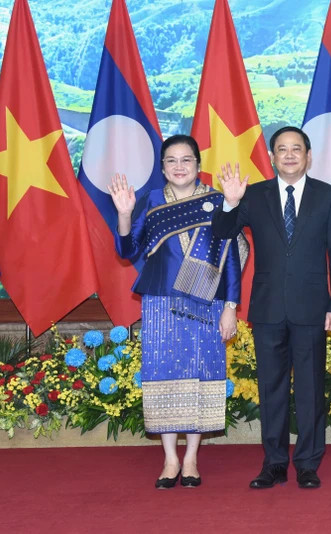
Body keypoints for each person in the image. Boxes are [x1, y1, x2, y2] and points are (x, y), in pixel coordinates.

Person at [212, 126, 331, 490]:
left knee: (310, 389)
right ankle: (273, 463)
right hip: (269, 307)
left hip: (312, 308)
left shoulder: (327, 195)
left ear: (308, 155)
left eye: (296, 149)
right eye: (282, 150)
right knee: (270, 389)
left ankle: (307, 463)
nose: (289, 155)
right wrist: (229, 203)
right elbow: (222, 235)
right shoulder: (253, 195)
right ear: (272, 157)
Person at [109, 134, 248, 489]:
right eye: (171, 160)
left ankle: (191, 459)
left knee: (200, 374)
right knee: (163, 374)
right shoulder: (152, 201)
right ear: (162, 167)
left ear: (199, 166)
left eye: (187, 160)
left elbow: (231, 258)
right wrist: (124, 215)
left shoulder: (218, 200)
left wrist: (230, 307)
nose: (179, 166)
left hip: (207, 301)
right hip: (160, 301)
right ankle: (170, 459)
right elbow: (128, 249)